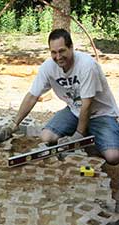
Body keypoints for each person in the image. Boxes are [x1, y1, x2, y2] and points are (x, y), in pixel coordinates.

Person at [11, 28, 119, 165]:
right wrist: (14, 124)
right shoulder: (48, 67)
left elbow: (87, 105)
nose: (58, 57)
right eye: (53, 52)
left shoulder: (87, 66)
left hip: (100, 114)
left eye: (62, 51)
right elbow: (32, 96)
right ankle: (87, 135)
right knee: (46, 137)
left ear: (71, 47)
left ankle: (93, 140)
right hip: (75, 111)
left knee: (113, 157)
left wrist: (78, 135)